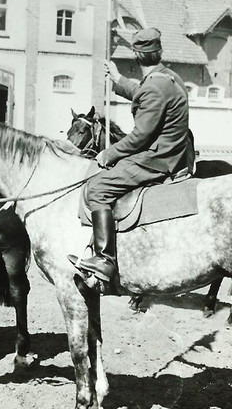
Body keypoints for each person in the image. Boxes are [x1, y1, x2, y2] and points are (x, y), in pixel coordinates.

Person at [69, 28, 191, 292]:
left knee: (97, 188)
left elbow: (140, 137)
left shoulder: (155, 86)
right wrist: (118, 79)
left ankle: (104, 260)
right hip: (175, 152)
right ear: (159, 52)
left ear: (136, 55)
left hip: (158, 158)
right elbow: (144, 92)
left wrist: (109, 153)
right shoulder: (170, 78)